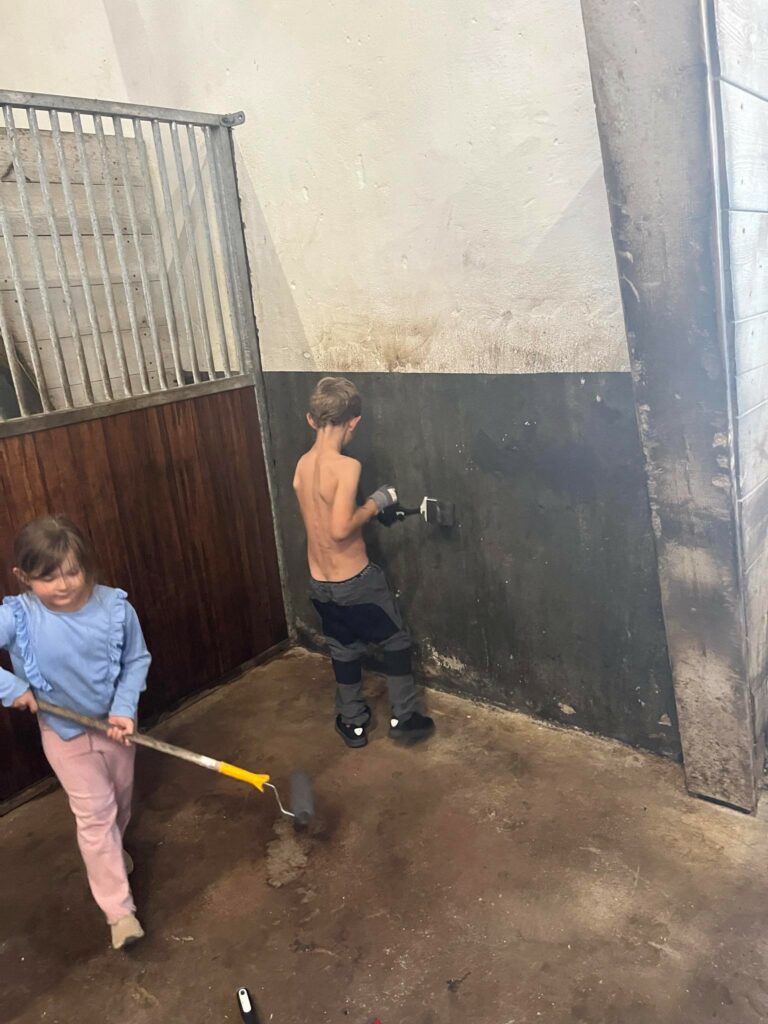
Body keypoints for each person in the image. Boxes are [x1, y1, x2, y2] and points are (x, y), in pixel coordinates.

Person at [0, 515, 151, 950]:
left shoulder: (117, 609)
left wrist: (125, 709)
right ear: (23, 577)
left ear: (87, 564)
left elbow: (137, 661)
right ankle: (119, 912)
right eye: (48, 578)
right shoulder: (18, 616)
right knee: (96, 815)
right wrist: (12, 687)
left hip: (116, 726)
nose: (63, 585)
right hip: (63, 733)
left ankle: (112, 851)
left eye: (72, 572)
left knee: (121, 800)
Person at [293, 376, 434, 748]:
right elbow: (340, 528)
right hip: (356, 582)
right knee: (396, 639)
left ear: (311, 419)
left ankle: (353, 722)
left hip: (319, 582)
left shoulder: (302, 466)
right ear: (353, 422)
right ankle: (405, 717)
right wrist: (376, 503)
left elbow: (324, 521)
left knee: (343, 646)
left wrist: (366, 509)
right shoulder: (346, 467)